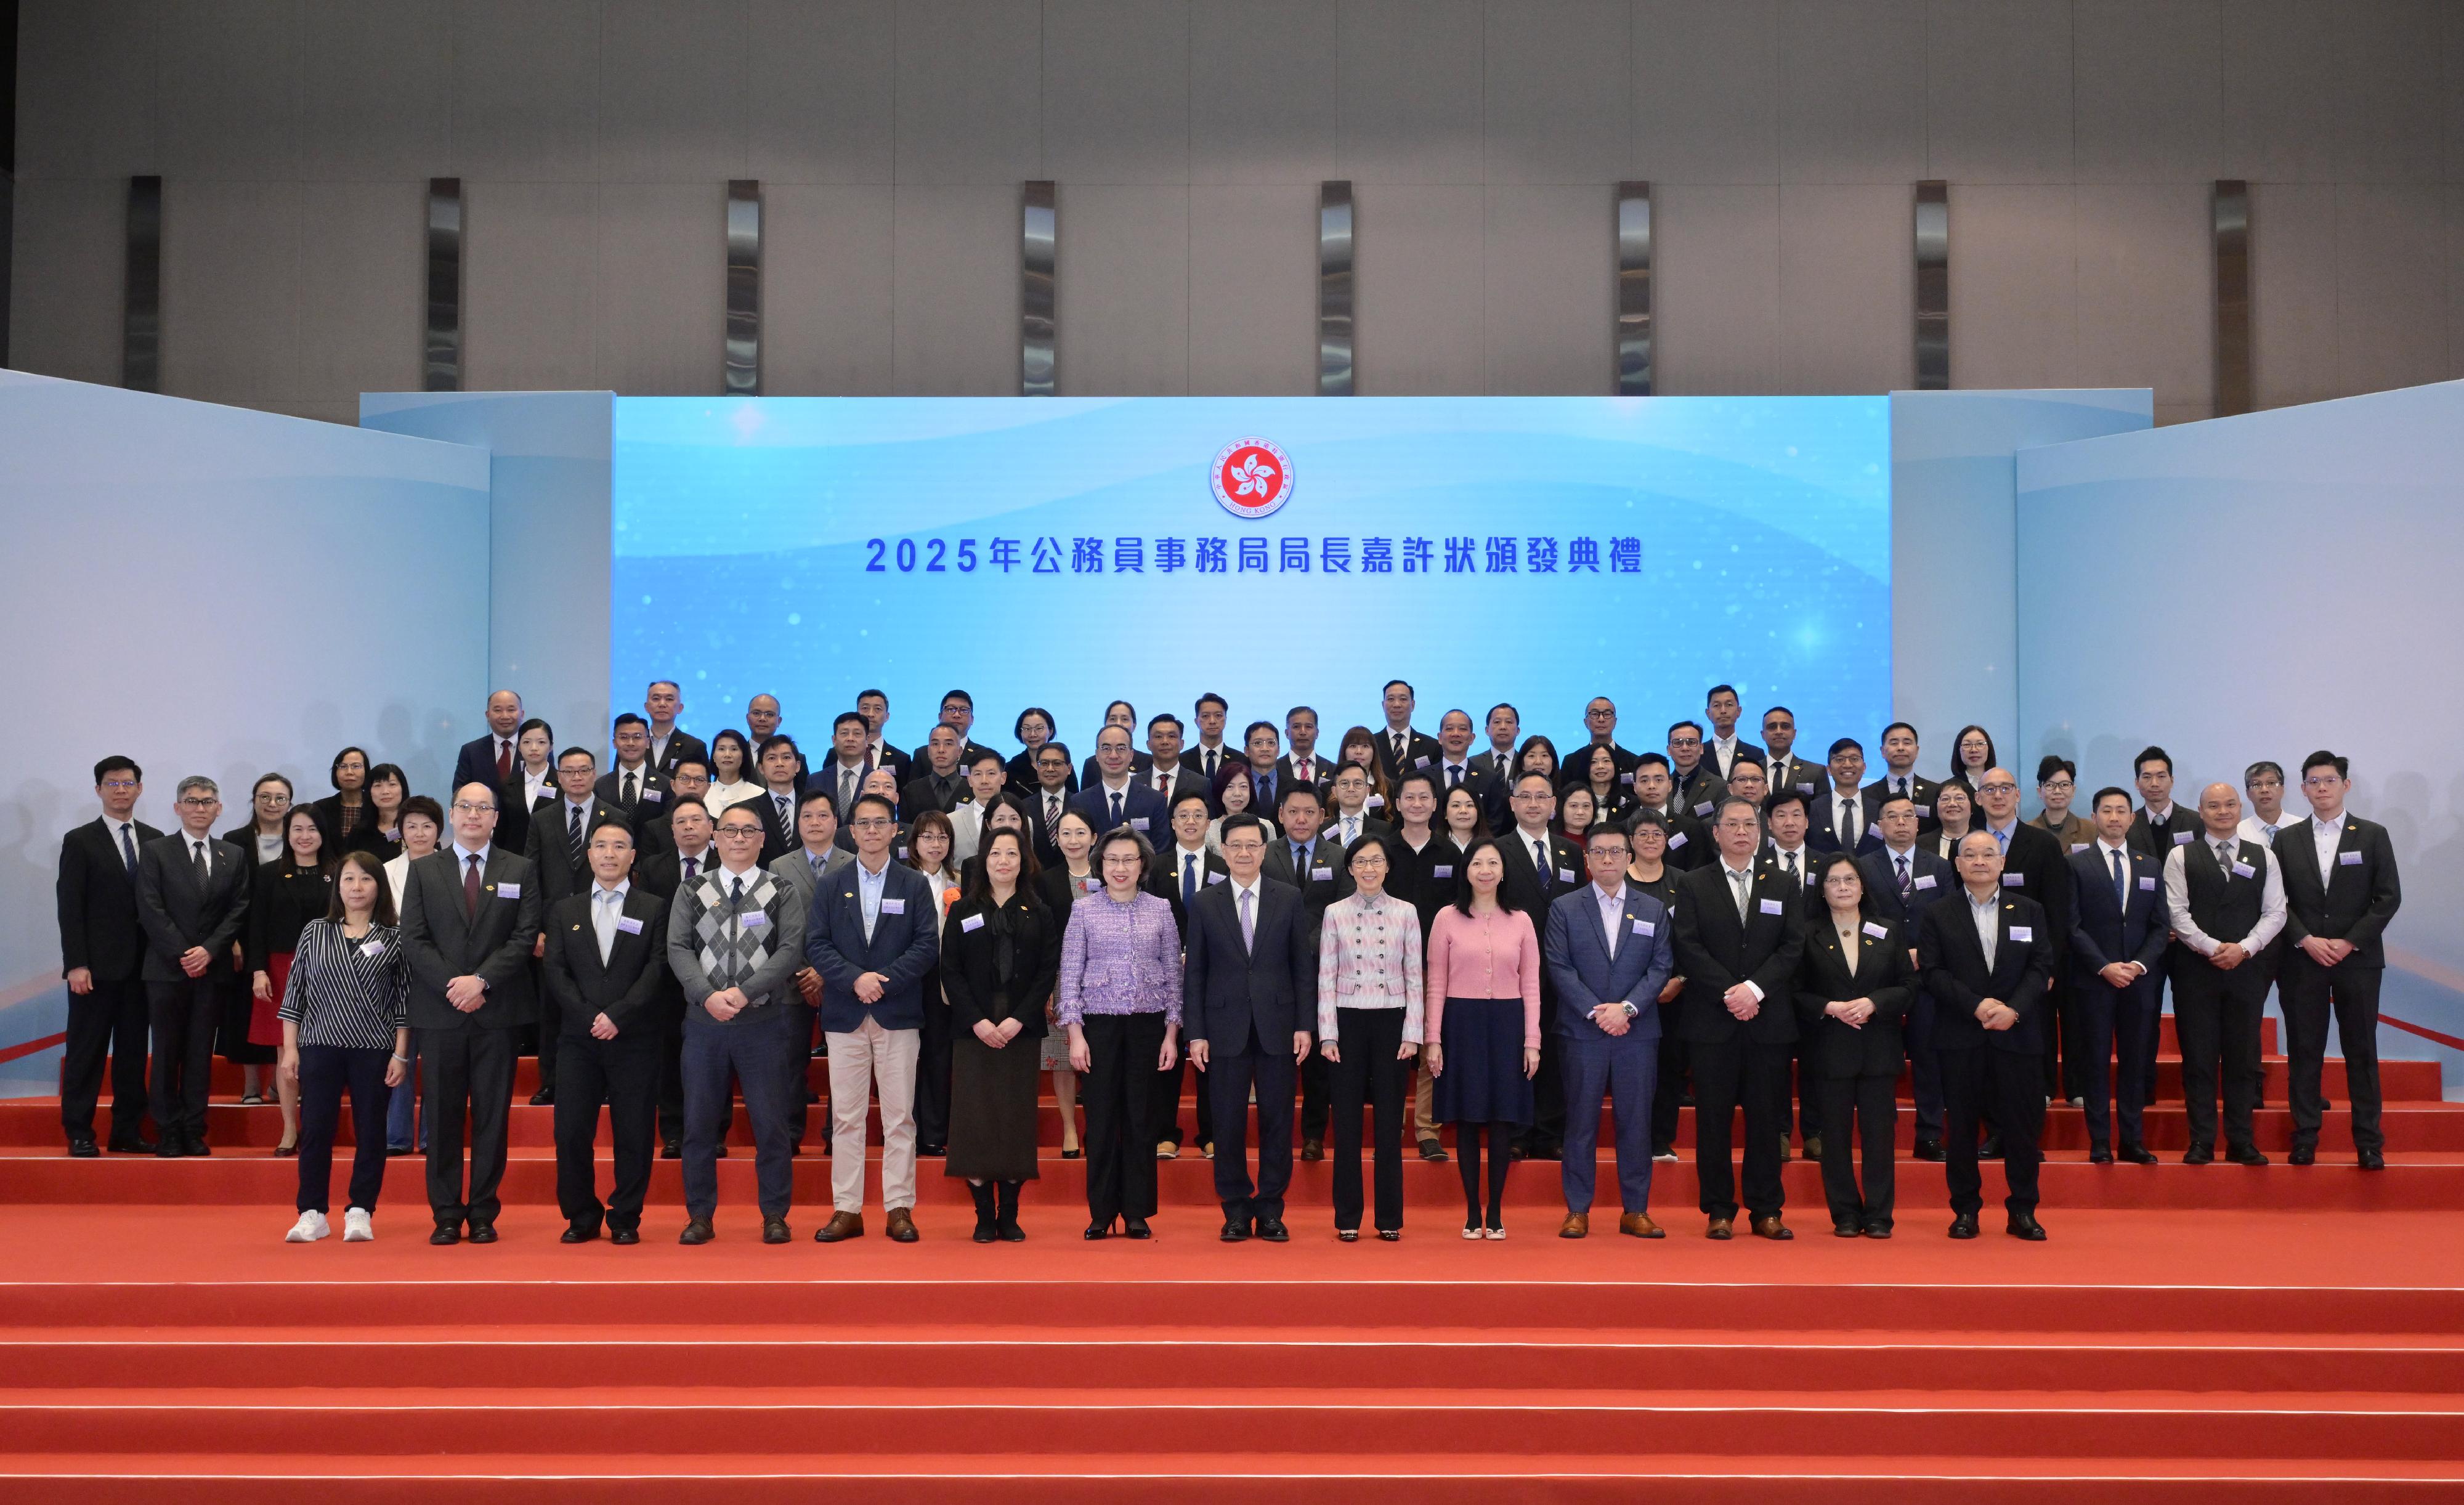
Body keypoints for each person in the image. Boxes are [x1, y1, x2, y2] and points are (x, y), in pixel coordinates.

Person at [399, 782, 541, 1243]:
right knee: (440, 1116)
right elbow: (414, 938)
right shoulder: (425, 870)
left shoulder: (520, 868)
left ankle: (482, 1210)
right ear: (453, 815)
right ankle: (444, 1212)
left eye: (484, 808)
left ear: (496, 817)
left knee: (491, 1117)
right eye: (466, 806)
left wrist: (481, 981)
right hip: (440, 1013)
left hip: (496, 1010)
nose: (474, 814)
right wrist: (454, 985)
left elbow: (523, 938)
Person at [665, 803, 805, 1244]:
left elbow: (790, 949)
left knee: (771, 1123)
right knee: (699, 1123)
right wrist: (708, 996)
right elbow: (677, 948)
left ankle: (775, 1214)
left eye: (749, 831)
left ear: (763, 839)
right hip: (705, 1024)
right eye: (730, 830)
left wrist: (743, 993)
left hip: (764, 1022)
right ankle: (701, 1215)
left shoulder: (781, 889)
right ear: (715, 837)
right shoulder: (692, 889)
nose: (739, 838)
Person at [804, 792, 942, 1244]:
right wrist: (854, 980)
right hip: (845, 1013)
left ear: (894, 830)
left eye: (880, 822)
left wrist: (882, 981)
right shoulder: (831, 883)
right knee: (846, 1117)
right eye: (862, 823)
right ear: (851, 830)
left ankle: (899, 1206)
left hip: (897, 1011)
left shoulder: (914, 884)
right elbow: (818, 944)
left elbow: (926, 945)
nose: (871, 831)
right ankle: (847, 1208)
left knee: (900, 1116)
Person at [1670, 797, 1805, 1240]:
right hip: (1713, 1020)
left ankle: (1767, 1209)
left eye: (1750, 823)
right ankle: (1719, 1209)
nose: (1742, 831)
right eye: (1733, 824)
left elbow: (1792, 946)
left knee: (1767, 1120)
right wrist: (1731, 991)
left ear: (1761, 831)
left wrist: (1755, 989)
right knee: (1714, 1119)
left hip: (1769, 1021)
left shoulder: (1783, 883)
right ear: (1717, 832)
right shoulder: (1692, 883)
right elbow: (1687, 945)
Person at [1183, 811, 1315, 1243]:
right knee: (1227, 1123)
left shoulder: (1289, 896)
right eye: (1235, 845)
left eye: (1252, 845)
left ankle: (1272, 1209)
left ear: (1264, 849)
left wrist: (1304, 1024)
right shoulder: (1205, 902)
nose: (1243, 852)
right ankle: (1236, 1210)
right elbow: (1196, 972)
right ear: (1223, 850)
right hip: (1223, 1027)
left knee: (1278, 1121)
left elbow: (1302, 967)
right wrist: (1195, 1032)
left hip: (1278, 1025)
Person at [1918, 830, 2057, 1241]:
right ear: (1957, 864)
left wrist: (2012, 1009)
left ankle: (2023, 1210)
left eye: (1988, 854)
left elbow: (2041, 967)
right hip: (1961, 1035)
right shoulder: (1938, 913)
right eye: (1970, 854)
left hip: (2017, 1034)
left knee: (2021, 1127)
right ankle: (1966, 1211)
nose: (1979, 860)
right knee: (1961, 1129)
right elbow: (1932, 971)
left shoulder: (2029, 910)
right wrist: (1977, 1006)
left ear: (2001, 862)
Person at [1542, 826, 1674, 1241]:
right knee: (1580, 1122)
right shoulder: (1565, 907)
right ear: (1587, 860)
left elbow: (1661, 966)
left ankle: (1635, 1209)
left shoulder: (1653, 909)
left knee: (1635, 1122)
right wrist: (1598, 1012)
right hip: (1584, 1031)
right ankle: (1577, 1209)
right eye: (1598, 852)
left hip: (1637, 1032)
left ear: (1628, 856)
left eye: (1615, 851)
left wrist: (1628, 1009)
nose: (1607, 859)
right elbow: (1559, 967)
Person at [543, 816, 670, 1244]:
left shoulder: (653, 907)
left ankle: (625, 1218)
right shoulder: (566, 909)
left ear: (633, 856)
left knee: (633, 1131)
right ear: (590, 854)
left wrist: (619, 1014)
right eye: (601, 846)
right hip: (578, 1039)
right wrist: (588, 1016)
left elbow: (657, 968)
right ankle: (581, 1215)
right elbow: (556, 971)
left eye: (619, 846)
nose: (610, 854)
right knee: (571, 1131)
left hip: (634, 1037)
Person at [2276, 750, 2401, 1170]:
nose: (2322, 788)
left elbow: (2387, 898)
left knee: (2361, 1050)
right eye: (2313, 781)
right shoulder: (2287, 838)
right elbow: (2277, 901)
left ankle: (2368, 1142)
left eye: (2330, 780)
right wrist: (2306, 939)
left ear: (2346, 785)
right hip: (2303, 959)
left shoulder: (2371, 834)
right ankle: (2306, 1137)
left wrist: (2349, 942)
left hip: (2358, 960)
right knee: (2304, 1050)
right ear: (2303, 788)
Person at [277, 850, 410, 1244]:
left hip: (374, 1047)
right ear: (338, 886)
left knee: (371, 1132)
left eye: (365, 879)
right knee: (316, 1129)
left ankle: (360, 1210)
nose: (356, 887)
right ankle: (312, 1212)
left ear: (378, 887)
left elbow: (403, 1001)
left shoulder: (394, 937)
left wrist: (401, 1053)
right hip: (319, 1044)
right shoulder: (315, 931)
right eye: (349, 879)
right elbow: (295, 994)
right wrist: (291, 1050)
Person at [1056, 826, 1182, 1239]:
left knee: (1141, 1119)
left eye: (1129, 859)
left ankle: (1136, 1211)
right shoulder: (1084, 910)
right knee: (1103, 1117)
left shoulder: (1161, 908)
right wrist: (1075, 1034)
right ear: (1101, 864)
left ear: (1143, 864)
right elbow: (1070, 975)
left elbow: (1173, 976)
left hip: (1148, 1026)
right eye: (1113, 859)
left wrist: (1171, 1033)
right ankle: (1101, 1210)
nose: (1121, 867)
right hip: (1099, 1027)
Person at [943, 828, 1057, 1242]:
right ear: (984, 860)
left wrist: (1018, 1020)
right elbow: (950, 969)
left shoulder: (1038, 911)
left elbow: (1047, 970)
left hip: (1019, 1028)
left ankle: (1009, 1212)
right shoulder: (963, 908)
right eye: (996, 853)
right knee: (976, 1120)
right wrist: (977, 1020)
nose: (1004, 860)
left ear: (1024, 860)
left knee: (1013, 1119)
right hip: (973, 1027)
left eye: (1012, 853)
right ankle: (982, 1215)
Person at [2163, 782, 2285, 1167]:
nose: (2223, 811)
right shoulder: (2181, 856)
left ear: (2239, 808)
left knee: (2241, 1058)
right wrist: (2213, 947)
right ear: (2201, 812)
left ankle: (2241, 1142)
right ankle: (2201, 1141)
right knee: (2198, 1059)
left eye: (2230, 804)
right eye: (2213, 806)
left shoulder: (2264, 855)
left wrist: (2244, 948)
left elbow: (2276, 912)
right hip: (2195, 971)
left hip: (2246, 971)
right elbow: (2177, 914)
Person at [1424, 838, 1541, 1239]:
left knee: (1502, 1120)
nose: (1486, 870)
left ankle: (1496, 1211)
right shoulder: (1446, 918)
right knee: (1470, 1120)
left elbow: (1532, 984)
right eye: (1478, 862)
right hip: (1462, 1023)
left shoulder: (1522, 920)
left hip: (1509, 1023)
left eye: (1493, 862)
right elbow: (1436, 981)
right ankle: (1473, 1211)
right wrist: (1433, 1038)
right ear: (1467, 870)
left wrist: (1532, 1039)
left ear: (1504, 871)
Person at [1794, 853, 1915, 1238]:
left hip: (1878, 1049)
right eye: (1834, 881)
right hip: (1829, 1051)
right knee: (1834, 1138)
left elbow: (1909, 987)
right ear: (1823, 889)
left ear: (1863, 886)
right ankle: (1844, 1213)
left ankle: (1879, 1215)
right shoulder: (1805, 932)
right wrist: (1828, 1007)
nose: (1843, 887)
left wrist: (1876, 1003)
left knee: (1880, 1139)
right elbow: (1793, 991)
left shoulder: (1888, 930)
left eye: (1850, 880)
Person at [136, 777, 251, 1158]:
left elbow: (239, 908)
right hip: (167, 970)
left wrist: (210, 950)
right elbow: (150, 908)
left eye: (207, 802)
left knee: (201, 1052)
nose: (200, 808)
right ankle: (167, 1130)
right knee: (167, 1052)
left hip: (212, 970)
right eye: (191, 801)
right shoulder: (155, 851)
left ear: (219, 808)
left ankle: (193, 1129)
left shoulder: (232, 855)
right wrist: (186, 953)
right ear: (177, 808)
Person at [54, 755, 163, 1156]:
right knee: (87, 1051)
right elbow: (70, 906)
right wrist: (76, 963)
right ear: (98, 789)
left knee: (134, 1054)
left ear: (140, 788)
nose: (121, 790)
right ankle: (80, 1131)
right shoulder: (80, 839)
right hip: (95, 970)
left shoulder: (156, 839)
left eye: (128, 782)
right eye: (112, 783)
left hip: (144, 969)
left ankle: (127, 1129)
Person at [1317, 835, 1424, 1239]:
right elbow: (1326, 977)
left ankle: (1389, 1218)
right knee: (1345, 1125)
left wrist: (1413, 1033)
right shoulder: (1334, 912)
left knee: (1388, 1126)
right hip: (1346, 1021)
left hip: (1392, 1022)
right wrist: (1328, 1033)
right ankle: (1347, 1217)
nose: (1368, 868)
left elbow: (1415, 976)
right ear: (1349, 867)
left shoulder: (1406, 912)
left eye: (1376, 861)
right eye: (1360, 861)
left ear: (1387, 867)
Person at [2066, 786, 2167, 1164]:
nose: (2113, 817)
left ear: (2132, 818)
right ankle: (2100, 1142)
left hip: (2139, 981)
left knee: (2135, 1060)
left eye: (2121, 811)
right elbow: (2071, 925)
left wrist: (2139, 965)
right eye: (2106, 810)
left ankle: (2132, 1140)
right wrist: (2104, 966)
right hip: (2094, 979)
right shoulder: (2077, 863)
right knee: (2094, 1061)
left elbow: (2160, 927)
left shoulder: (2149, 865)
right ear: (2094, 818)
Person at [523, 745, 622, 1107]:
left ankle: (609, 1081)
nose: (576, 777)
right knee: (553, 1007)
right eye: (568, 771)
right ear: (558, 776)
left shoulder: (615, 816)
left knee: (602, 1001)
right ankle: (552, 1081)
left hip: (605, 924)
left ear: (594, 774)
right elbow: (530, 879)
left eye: (583, 770)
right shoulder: (542, 818)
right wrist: (535, 929)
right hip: (554, 929)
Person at [1857, 792, 1954, 1161]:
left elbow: (1949, 919)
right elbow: (1860, 918)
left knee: (1929, 1058)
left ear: (1918, 823)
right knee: (1881, 1060)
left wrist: (1923, 955)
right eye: (1892, 816)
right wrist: (1896, 954)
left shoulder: (1940, 867)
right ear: (1879, 826)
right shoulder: (1864, 866)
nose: (1900, 822)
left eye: (1907, 816)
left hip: (1928, 977)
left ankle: (1929, 1134)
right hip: (1879, 976)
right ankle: (1879, 1134)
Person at [1497, 772, 1583, 1161]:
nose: (1534, 804)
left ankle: (1550, 1133)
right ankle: (1517, 1132)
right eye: (1525, 797)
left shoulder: (1570, 853)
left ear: (1554, 805)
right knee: (1515, 1052)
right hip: (1512, 972)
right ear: (1512, 803)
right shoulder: (1497, 851)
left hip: (1565, 972)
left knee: (1556, 1054)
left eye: (1542, 797)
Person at [633, 794, 724, 1158]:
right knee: (671, 1054)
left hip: (721, 974)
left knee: (717, 1056)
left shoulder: (727, 862)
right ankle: (674, 1131)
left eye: (696, 821)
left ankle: (715, 1132)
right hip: (669, 977)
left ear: (711, 828)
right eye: (681, 822)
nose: (689, 827)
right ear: (671, 831)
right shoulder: (654, 868)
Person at [1264, 782, 1350, 1160]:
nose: (1301, 819)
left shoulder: (1339, 856)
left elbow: (1344, 908)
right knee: (1277, 1060)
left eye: (1310, 812)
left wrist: (1308, 944)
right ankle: (1276, 1136)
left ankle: (1314, 1136)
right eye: (1293, 812)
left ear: (1322, 816)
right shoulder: (1265, 856)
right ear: (1280, 815)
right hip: (1272, 972)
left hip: (1323, 972)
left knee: (1318, 1059)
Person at [245, 806, 334, 1155]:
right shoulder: (269, 873)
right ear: (287, 833)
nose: (304, 836)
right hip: (281, 968)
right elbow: (255, 926)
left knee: (322, 1053)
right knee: (288, 1053)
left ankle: (316, 1128)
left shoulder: (339, 872)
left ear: (323, 834)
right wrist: (258, 970)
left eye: (312, 829)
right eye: (297, 829)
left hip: (331, 969)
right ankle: (289, 1129)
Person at [1144, 789, 1225, 1159]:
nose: (1191, 822)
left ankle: (1211, 1134)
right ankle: (1165, 1133)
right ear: (1173, 823)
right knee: (1168, 1053)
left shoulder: (1224, 866)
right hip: (1163, 975)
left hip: (1213, 974)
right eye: (1183, 816)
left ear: (1208, 824)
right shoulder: (1156, 867)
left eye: (1198, 816)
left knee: (1210, 1053)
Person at [769, 790, 849, 1152]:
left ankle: (837, 1136)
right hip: (791, 979)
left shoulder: (854, 863)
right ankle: (789, 1135)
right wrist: (804, 971)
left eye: (822, 816)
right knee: (789, 1063)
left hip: (843, 979)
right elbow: (778, 928)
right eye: (807, 817)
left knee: (845, 1065)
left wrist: (825, 971)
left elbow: (856, 929)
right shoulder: (779, 866)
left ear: (836, 821)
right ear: (797, 823)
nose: (814, 823)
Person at [1385, 770, 1456, 1162]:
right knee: (1393, 1050)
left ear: (1434, 804)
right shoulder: (1383, 850)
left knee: (1432, 1048)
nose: (1416, 804)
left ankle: (1428, 1130)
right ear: (1397, 804)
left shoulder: (1450, 855)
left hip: (1435, 967)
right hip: (1389, 968)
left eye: (1423, 797)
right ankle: (1391, 1124)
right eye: (1408, 797)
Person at [221, 774, 293, 1106]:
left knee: (285, 1014)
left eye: (280, 798)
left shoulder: (300, 838)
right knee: (246, 1011)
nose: (273, 804)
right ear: (254, 800)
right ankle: (251, 1084)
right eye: (265, 797)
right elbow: (225, 895)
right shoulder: (234, 840)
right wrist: (233, 940)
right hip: (244, 939)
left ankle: (282, 1084)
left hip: (285, 941)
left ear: (290, 803)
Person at [1034, 808, 1101, 1159]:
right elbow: (1043, 939)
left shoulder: (1110, 874)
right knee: (1062, 1058)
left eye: (1080, 833)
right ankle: (1070, 1129)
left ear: (1093, 838)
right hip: (1061, 977)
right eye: (1065, 834)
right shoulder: (1046, 880)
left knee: (1099, 1054)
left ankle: (1098, 1127)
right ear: (1056, 839)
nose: (1073, 841)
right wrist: (1046, 986)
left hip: (1106, 977)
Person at [379, 795, 444, 1155]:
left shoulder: (454, 868)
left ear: (439, 831)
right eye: (411, 826)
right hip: (395, 973)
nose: (419, 833)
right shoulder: (386, 872)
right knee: (398, 1056)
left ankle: (432, 1137)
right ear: (400, 832)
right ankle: (397, 1136)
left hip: (440, 977)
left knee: (436, 1063)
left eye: (428, 826)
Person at [1624, 812, 1691, 1161]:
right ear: (1631, 841)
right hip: (1627, 996)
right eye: (1643, 834)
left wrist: (1679, 980)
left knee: (1668, 1068)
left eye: (1657, 834)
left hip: (1673, 996)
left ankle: (1660, 1139)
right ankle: (1631, 1139)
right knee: (1631, 1072)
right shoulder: (1617, 881)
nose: (1651, 840)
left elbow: (1694, 940)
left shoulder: (1686, 882)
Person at [905, 809, 964, 1158]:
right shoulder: (899, 879)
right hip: (906, 980)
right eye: (928, 836)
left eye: (943, 837)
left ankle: (934, 1134)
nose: (935, 843)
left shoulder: (959, 881)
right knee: (904, 1059)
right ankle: (905, 1131)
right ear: (914, 842)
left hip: (943, 981)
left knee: (939, 1058)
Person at [1072, 724, 1167, 837]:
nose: (1113, 755)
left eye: (1121, 748)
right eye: (1106, 748)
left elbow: (1160, 849)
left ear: (1131, 755)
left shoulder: (1155, 800)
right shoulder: (1080, 803)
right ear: (1097, 755)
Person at [1629, 754, 1708, 870]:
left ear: (1670, 785)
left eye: (1659, 780)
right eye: (1644, 780)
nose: (1652, 786)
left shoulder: (1691, 829)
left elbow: (1697, 873)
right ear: (1635, 787)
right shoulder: (1622, 829)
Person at [745, 734, 810, 864]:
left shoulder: (811, 808)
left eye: (786, 757)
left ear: (797, 766)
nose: (779, 764)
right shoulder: (748, 810)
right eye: (772, 758)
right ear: (761, 768)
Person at [496, 718, 556, 857]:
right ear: (519, 747)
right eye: (527, 742)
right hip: (514, 860)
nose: (534, 748)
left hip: (553, 860)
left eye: (541, 742)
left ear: (551, 746)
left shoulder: (562, 783)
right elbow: (501, 831)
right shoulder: (507, 785)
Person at [1866, 722, 1940, 830]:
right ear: (1882, 751)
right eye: (1894, 743)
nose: (1900, 748)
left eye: (1907, 743)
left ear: (1917, 750)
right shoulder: (1867, 795)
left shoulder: (1936, 791)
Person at [450, 689, 526, 795]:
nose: (505, 716)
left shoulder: (537, 750)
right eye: (498, 710)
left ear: (522, 714)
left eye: (511, 710)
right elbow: (460, 794)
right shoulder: (471, 752)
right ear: (488, 715)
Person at [946, 746, 1011, 865]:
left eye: (991, 773)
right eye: (978, 774)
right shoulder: (951, 821)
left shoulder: (1022, 821)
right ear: (969, 780)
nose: (984, 781)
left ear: (1003, 778)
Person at [597, 713, 670, 817]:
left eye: (637, 737)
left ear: (648, 742)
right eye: (624, 737)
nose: (631, 743)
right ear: (614, 743)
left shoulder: (665, 785)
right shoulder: (600, 786)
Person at [1810, 739, 1874, 855]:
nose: (1848, 765)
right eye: (1839, 760)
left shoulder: (1879, 809)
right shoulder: (1812, 809)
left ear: (1864, 767)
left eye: (1854, 759)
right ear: (1829, 769)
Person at [1371, 679, 1440, 785]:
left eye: (1403, 699)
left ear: (1413, 705)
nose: (1397, 704)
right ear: (1383, 705)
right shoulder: (1370, 744)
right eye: (1391, 699)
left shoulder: (1432, 746)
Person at [308, 746, 373, 851]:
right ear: (335, 772)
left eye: (356, 766)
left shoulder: (375, 806)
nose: (349, 772)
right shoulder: (320, 808)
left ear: (366, 771)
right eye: (343, 766)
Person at [1759, 706, 1830, 803]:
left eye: (1785, 727)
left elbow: (1823, 811)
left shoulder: (1815, 772)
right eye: (1772, 727)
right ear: (1763, 735)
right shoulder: (1751, 771)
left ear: (1794, 733)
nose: (1779, 731)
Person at [1140, 713, 1209, 812]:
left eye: (1171, 736)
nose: (1165, 741)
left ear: (1182, 744)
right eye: (1158, 736)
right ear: (1148, 744)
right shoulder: (1134, 783)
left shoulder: (1201, 784)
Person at [1026, 742, 1079, 866]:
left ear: (1069, 768)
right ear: (1037, 768)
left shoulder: (1081, 803)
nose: (1050, 769)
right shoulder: (1023, 808)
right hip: (1034, 880)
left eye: (1057, 763)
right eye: (1044, 764)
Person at [644, 679, 709, 778]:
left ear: (680, 708)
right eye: (656, 698)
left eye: (669, 699)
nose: (662, 704)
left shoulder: (694, 747)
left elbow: (702, 787)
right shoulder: (632, 744)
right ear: (646, 707)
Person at [1206, 760, 1277, 850]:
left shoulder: (1266, 826)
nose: (1237, 793)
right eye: (1230, 787)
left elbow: (1272, 862)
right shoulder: (1209, 830)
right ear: (1220, 790)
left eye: (1243, 787)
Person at [1005, 706, 1072, 800]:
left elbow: (1075, 799)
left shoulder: (1063, 763)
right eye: (1027, 729)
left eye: (1039, 728)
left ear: (1051, 731)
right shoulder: (1011, 768)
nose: (1033, 734)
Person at [349, 763, 410, 861]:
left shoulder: (416, 828)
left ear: (403, 788)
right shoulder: (359, 832)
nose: (385, 791)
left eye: (392, 784)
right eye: (378, 785)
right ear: (369, 792)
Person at [904, 724, 969, 816]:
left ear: (960, 751)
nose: (941, 750)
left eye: (948, 744)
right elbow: (905, 828)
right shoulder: (911, 791)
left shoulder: (972, 790)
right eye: (935, 744)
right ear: (928, 751)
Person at [854, 688, 914, 787]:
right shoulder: (837, 754)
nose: (871, 714)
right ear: (856, 713)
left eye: (878, 709)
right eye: (865, 708)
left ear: (887, 716)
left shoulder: (901, 759)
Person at [1324, 760, 1390, 849]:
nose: (1351, 789)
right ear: (1334, 791)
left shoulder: (1385, 830)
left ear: (1367, 791)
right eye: (1344, 783)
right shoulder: (1322, 830)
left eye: (1358, 783)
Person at [2032, 757, 2093, 852]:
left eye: (2064, 785)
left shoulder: (2090, 830)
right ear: (2039, 791)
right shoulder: (2026, 831)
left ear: (2073, 790)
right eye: (2050, 785)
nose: (2057, 791)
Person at [1664, 722, 1725, 816]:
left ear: (1701, 748)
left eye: (1691, 742)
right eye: (1678, 743)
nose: (1685, 748)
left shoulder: (1720, 786)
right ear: (1669, 750)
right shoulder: (1660, 786)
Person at [1704, 685, 1761, 779]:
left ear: (1739, 711)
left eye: (1729, 705)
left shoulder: (1756, 754)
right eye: (1717, 706)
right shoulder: (1698, 754)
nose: (1723, 711)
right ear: (1708, 713)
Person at [1571, 744, 1634, 829]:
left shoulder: (1631, 804)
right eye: (1593, 762)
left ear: (1615, 766)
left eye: (1606, 761)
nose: (1600, 766)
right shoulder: (1571, 801)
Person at [1278, 705, 1336, 795]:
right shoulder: (1275, 769)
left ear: (1317, 733)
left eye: (1308, 727)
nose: (1303, 732)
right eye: (1296, 727)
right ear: (1287, 733)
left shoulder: (1333, 769)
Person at [704, 728, 761, 819]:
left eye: (734, 749)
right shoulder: (703, 792)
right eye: (721, 749)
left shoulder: (759, 794)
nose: (727, 755)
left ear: (743, 756)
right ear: (714, 757)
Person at [1189, 691, 1236, 795]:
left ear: (1226, 720)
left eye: (1218, 716)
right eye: (1206, 716)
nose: (1212, 721)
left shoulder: (1240, 760)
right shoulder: (1182, 760)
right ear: (1196, 721)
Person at [1470, 704, 1522, 785]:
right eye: (1497, 722)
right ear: (1487, 730)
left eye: (1509, 722)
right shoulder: (1472, 763)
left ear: (1518, 731)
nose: (1503, 727)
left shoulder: (1525, 762)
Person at [1925, 781, 1975, 860]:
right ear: (1936, 808)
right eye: (1945, 799)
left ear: (1972, 807)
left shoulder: (1988, 841)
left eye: (1959, 798)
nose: (1952, 804)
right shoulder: (1919, 844)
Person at [1945, 724, 1996, 793]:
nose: (1974, 750)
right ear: (1958, 751)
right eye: (1967, 745)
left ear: (1989, 748)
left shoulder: (2000, 784)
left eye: (1980, 744)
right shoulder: (1948, 788)